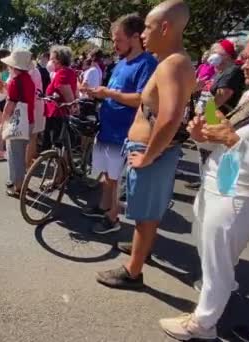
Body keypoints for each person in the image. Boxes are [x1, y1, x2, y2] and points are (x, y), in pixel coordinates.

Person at [158, 13, 249, 340]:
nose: (244, 65)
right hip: (223, 183)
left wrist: (232, 141)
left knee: (217, 265)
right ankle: (217, 297)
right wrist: (203, 134)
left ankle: (202, 325)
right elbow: (226, 140)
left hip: (244, 196)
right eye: (244, 58)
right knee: (210, 251)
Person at [96, 0, 196, 289]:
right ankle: (141, 250)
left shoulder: (173, 64)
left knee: (144, 214)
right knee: (145, 213)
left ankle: (133, 271)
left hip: (150, 152)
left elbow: (171, 116)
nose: (142, 34)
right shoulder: (176, 61)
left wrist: (149, 155)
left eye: (148, 28)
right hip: (151, 150)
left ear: (165, 27)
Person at [82, 13, 158, 234]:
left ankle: (112, 218)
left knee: (116, 177)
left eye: (118, 40)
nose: (114, 45)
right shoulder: (121, 63)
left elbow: (142, 98)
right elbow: (114, 93)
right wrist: (98, 94)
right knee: (108, 175)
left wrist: (109, 94)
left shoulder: (147, 63)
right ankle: (104, 207)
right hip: (108, 128)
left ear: (135, 37)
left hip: (124, 132)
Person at [187, 39, 246, 190]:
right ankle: (207, 184)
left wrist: (205, 118)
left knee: (214, 158)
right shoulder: (220, 73)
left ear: (228, 55)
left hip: (217, 122)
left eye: (217, 52)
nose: (213, 55)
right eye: (212, 52)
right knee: (206, 157)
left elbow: (221, 97)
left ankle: (217, 188)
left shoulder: (232, 71)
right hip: (210, 120)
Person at [1, 49, 35, 198]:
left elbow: (10, 105)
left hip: (17, 121)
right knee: (21, 155)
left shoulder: (15, 81)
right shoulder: (29, 79)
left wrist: (3, 122)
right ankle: (20, 184)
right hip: (28, 120)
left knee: (15, 156)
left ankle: (18, 186)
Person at [43, 45, 77, 151]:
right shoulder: (67, 71)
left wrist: (73, 107)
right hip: (58, 113)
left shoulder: (62, 73)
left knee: (57, 145)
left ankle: (61, 166)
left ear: (60, 60)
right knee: (60, 146)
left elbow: (68, 94)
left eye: (52, 59)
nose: (50, 62)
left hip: (58, 113)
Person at [27, 52, 46, 167]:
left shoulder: (32, 71)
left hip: (34, 106)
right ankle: (30, 161)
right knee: (32, 136)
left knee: (31, 137)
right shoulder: (35, 70)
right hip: (37, 105)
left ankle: (28, 163)